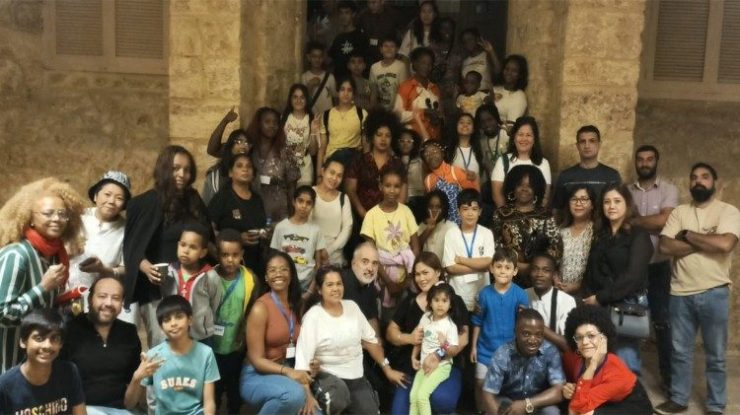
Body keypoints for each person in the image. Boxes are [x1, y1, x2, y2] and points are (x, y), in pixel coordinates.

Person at [654, 162, 740, 415]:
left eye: (704, 177)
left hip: (715, 292)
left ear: (716, 183)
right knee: (680, 352)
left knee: (716, 355)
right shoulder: (680, 212)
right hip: (680, 293)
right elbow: (665, 247)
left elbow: (725, 245)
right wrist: (707, 241)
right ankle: (679, 399)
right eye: (693, 178)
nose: (698, 181)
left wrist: (688, 235)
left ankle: (715, 405)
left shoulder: (728, 211)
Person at [123, 145, 211, 348]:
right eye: (176, 168)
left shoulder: (193, 200)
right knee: (163, 344)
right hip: (157, 289)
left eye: (187, 170)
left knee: (192, 343)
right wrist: (146, 267)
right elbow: (132, 247)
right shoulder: (144, 203)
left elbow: (206, 236)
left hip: (189, 283)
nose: (182, 174)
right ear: (164, 169)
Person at [0, 177, 86, 373]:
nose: (56, 219)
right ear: (29, 218)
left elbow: (41, 309)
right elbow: (3, 314)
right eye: (48, 213)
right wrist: (42, 288)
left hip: (38, 365)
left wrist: (65, 304)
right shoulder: (16, 255)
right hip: (9, 365)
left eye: (62, 214)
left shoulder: (55, 256)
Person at [295, 266, 407, 414]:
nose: (335, 288)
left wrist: (387, 369)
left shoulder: (352, 307)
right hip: (327, 377)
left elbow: (371, 342)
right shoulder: (313, 317)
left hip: (356, 377)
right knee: (339, 397)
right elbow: (302, 361)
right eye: (330, 285)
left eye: (339, 283)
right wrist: (307, 395)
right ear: (320, 290)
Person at [386, 252, 470, 415]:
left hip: (445, 364)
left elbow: (464, 338)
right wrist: (408, 338)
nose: (421, 278)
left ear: (438, 272)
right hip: (414, 366)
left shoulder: (453, 300)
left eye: (425, 273)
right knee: (399, 411)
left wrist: (438, 355)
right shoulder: (410, 301)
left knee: (440, 399)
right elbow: (390, 332)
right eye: (417, 274)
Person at [583, 184, 653, 374]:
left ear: (627, 204)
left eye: (617, 201)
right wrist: (590, 298)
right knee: (599, 362)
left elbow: (633, 277)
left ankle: (630, 394)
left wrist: (600, 297)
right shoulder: (600, 235)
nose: (611, 206)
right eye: (606, 202)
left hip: (627, 305)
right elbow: (591, 269)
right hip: (599, 305)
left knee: (624, 362)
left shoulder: (639, 234)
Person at [627, 145, 678, 391]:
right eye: (640, 159)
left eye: (649, 159)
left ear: (656, 161)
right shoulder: (627, 191)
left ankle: (669, 381)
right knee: (629, 321)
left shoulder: (669, 189)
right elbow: (621, 223)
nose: (645, 163)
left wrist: (634, 221)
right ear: (635, 162)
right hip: (633, 267)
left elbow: (665, 220)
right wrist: (651, 223)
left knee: (663, 322)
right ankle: (628, 382)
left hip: (658, 266)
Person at [240, 251, 316, 415]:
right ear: (266, 277)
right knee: (293, 396)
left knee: (314, 411)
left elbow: (299, 355)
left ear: (291, 275)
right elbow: (256, 360)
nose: (278, 274)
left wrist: (307, 391)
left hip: (287, 373)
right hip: (256, 375)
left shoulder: (297, 304)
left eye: (283, 269)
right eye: (272, 270)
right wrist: (290, 373)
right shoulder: (260, 308)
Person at [61, 277, 142, 414]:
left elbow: (132, 396)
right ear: (90, 299)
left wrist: (139, 377)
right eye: (102, 296)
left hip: (120, 410)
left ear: (122, 303)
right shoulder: (69, 330)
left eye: (116, 298)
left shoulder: (129, 332)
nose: (108, 303)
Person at [561, 305, 653, 414]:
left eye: (591, 336)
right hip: (603, 401)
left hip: (631, 405)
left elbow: (577, 408)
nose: (585, 342)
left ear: (603, 338)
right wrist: (569, 388)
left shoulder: (616, 372)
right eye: (579, 337)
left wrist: (593, 365)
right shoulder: (575, 357)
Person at [137, 295, 220, 415]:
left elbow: (209, 403)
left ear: (190, 320)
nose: (173, 323)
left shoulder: (206, 353)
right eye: (167, 320)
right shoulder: (153, 355)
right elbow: (134, 401)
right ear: (161, 327)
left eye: (179, 317)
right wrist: (137, 376)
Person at [471, 247, 529, 411]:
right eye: (499, 266)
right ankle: (481, 410)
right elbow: (477, 322)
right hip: (485, 349)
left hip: (510, 351)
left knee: (508, 386)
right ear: (491, 268)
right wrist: (474, 347)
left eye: (507, 267)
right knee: (480, 382)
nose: (503, 271)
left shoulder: (520, 295)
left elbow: (524, 325)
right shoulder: (483, 294)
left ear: (515, 271)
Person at [0, 309, 86, 415]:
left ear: (61, 344)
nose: (47, 346)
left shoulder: (69, 372)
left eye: (54, 338)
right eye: (39, 338)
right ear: (23, 342)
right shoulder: (5, 386)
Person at [211, 229, 258, 414]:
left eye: (235, 255)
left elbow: (253, 312)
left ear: (242, 254)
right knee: (213, 389)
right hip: (212, 347)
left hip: (236, 346)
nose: (230, 260)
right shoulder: (208, 277)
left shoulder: (250, 279)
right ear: (217, 254)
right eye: (225, 255)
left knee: (234, 388)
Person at [481, 309, 565, 415]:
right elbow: (488, 393)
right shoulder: (503, 353)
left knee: (552, 412)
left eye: (538, 334)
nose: (533, 340)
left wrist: (527, 403)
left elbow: (558, 391)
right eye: (526, 334)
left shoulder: (550, 351)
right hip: (508, 403)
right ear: (515, 331)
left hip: (537, 403)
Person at [492, 165, 561, 286]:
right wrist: (515, 266)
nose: (524, 189)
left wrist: (535, 267)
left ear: (536, 189)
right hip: (507, 276)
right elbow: (494, 246)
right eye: (520, 185)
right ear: (513, 187)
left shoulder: (545, 215)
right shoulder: (501, 214)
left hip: (539, 278)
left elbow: (556, 248)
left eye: (530, 186)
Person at [361, 166, 420, 308]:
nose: (392, 190)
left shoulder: (406, 211)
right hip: (382, 276)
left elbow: (416, 248)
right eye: (388, 186)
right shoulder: (371, 215)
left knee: (406, 312)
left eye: (396, 186)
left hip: (408, 273)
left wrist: (407, 280)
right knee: (385, 315)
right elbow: (372, 254)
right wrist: (388, 282)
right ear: (380, 186)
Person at [68, 171, 130, 297]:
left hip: (103, 297)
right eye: (107, 194)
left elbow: (126, 269)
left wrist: (101, 269)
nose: (111, 201)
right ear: (96, 196)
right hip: (67, 291)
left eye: (119, 198)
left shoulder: (127, 230)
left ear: (124, 204)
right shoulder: (77, 217)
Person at [208, 153, 268, 275]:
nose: (245, 169)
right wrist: (237, 239)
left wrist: (264, 233)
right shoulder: (222, 198)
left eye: (249, 166)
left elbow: (262, 224)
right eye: (239, 166)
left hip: (255, 262)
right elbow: (208, 230)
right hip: (229, 264)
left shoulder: (257, 199)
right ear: (231, 173)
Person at [159, 223, 221, 343]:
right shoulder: (169, 272)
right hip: (174, 332)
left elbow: (215, 303)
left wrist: (204, 321)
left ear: (203, 252)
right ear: (178, 245)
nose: (186, 250)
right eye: (183, 245)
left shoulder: (210, 276)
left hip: (201, 336)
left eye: (193, 247)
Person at [409, 282, 462, 415]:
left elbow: (453, 351)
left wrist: (444, 344)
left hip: (441, 366)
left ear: (450, 304)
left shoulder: (450, 326)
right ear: (430, 302)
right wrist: (413, 356)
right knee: (413, 397)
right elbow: (419, 338)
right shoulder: (426, 317)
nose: (440, 304)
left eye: (444, 301)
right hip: (424, 365)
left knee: (422, 396)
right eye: (436, 300)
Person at [345, 107, 407, 222]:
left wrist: (390, 218)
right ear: (372, 137)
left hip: (390, 220)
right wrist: (363, 214)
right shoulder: (359, 160)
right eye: (379, 134)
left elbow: (402, 196)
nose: (383, 139)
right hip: (361, 218)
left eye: (387, 135)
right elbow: (350, 189)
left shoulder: (397, 164)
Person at [443, 189, 495, 311]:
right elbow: (450, 268)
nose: (470, 213)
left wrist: (462, 260)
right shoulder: (451, 233)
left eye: (474, 209)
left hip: (482, 294)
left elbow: (489, 263)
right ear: (458, 211)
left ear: (480, 211)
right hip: (458, 295)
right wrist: (480, 266)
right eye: (465, 209)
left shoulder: (486, 233)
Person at [551, 125, 622, 214]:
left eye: (592, 141)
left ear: (599, 145)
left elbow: (619, 209)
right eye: (582, 141)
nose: (587, 146)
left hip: (603, 223)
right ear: (577, 146)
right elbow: (557, 210)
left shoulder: (612, 176)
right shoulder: (565, 176)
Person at [270, 186, 327, 296]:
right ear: (293, 202)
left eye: (308, 203)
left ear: (313, 206)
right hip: (284, 280)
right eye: (300, 201)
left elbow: (318, 264)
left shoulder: (316, 230)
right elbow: (274, 259)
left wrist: (310, 291)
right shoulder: (281, 227)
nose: (304, 206)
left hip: (307, 282)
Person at [249, 107, 300, 222]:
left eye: (275, 123)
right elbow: (213, 150)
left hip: (278, 210)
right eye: (267, 122)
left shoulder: (285, 151)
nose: (272, 125)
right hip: (252, 208)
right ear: (259, 124)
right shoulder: (249, 149)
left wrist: (292, 212)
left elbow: (292, 184)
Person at [491, 116, 552, 208]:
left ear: (534, 139)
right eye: (520, 134)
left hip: (535, 215)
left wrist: (532, 215)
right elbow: (497, 195)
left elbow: (545, 197)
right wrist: (508, 214)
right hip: (507, 214)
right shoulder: (503, 161)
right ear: (514, 137)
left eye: (528, 135)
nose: (524, 139)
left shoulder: (543, 163)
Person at [421, 140, 479, 225]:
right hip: (441, 224)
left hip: (461, 223)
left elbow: (473, 196)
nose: (431, 155)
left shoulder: (456, 172)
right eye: (427, 154)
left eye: (435, 151)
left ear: (443, 153)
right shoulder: (428, 180)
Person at [203, 108, 252, 205]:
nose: (243, 145)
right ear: (230, 146)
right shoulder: (216, 177)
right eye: (238, 142)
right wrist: (225, 121)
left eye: (246, 143)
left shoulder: (251, 172)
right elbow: (212, 149)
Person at [317, 77, 368, 171]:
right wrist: (319, 174)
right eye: (342, 89)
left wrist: (367, 168)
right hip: (332, 160)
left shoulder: (361, 113)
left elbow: (365, 144)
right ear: (337, 92)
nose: (346, 93)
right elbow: (322, 147)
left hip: (354, 161)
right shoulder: (326, 115)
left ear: (354, 93)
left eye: (349, 90)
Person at [395, 47, 443, 141]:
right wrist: (423, 112)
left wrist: (438, 119)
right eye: (423, 63)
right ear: (414, 64)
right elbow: (398, 116)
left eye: (430, 64)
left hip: (432, 142)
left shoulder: (435, 89)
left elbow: (440, 114)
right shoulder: (406, 87)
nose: (426, 67)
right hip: (413, 142)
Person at [312, 158, 353, 266]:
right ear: (323, 171)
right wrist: (316, 251)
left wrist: (329, 250)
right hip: (310, 255)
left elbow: (347, 228)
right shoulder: (310, 193)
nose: (334, 178)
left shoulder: (343, 198)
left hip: (334, 258)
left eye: (339, 175)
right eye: (332, 172)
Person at [557, 185, 596, 296]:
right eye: (574, 199)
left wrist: (578, 286)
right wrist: (555, 280)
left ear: (592, 205)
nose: (578, 203)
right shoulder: (561, 232)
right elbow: (552, 262)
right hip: (560, 292)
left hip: (587, 294)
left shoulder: (596, 232)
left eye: (584, 199)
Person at [526, 253, 577, 337]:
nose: (539, 274)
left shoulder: (566, 301)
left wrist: (536, 324)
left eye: (546, 270)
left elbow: (568, 342)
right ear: (530, 272)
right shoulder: (521, 295)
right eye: (535, 269)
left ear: (554, 275)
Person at [282, 84, 321, 186]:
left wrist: (313, 131)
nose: (298, 100)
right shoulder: (284, 118)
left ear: (306, 99)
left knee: (304, 194)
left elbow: (313, 152)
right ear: (290, 99)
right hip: (287, 166)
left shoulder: (312, 119)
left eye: (302, 97)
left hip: (305, 167)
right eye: (295, 97)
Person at [328, 0, 368, 80]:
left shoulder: (361, 37)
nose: (343, 16)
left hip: (355, 83)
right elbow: (331, 60)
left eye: (347, 13)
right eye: (341, 13)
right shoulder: (338, 38)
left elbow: (365, 62)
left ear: (353, 14)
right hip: (339, 82)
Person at [369, 37, 408, 111]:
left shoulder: (401, 66)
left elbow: (403, 92)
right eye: (386, 46)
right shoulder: (374, 67)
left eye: (392, 46)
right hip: (380, 110)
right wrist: (373, 111)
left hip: (396, 110)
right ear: (381, 49)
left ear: (397, 50)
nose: (389, 49)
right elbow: (373, 92)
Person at [446, 112, 486, 186]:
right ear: (456, 127)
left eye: (469, 123)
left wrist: (475, 177)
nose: (465, 125)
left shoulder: (479, 149)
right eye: (461, 122)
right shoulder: (449, 150)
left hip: (475, 191)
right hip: (455, 191)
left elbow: (484, 176)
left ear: (473, 129)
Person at [357, 0, 402, 64]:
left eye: (374, 2)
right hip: (368, 54)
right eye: (368, 3)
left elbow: (402, 34)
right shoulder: (362, 16)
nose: (371, 5)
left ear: (382, 1)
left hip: (388, 54)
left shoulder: (393, 15)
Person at [417, 190, 456, 261]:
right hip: (426, 266)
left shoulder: (451, 227)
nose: (434, 210)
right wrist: (428, 230)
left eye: (438, 207)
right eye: (431, 206)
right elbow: (416, 247)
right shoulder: (422, 226)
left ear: (443, 208)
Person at [491, 54, 529, 128]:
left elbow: (510, 127)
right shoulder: (494, 89)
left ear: (520, 75)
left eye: (514, 71)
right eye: (507, 69)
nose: (509, 73)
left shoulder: (519, 96)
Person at [476, 104, 509, 182]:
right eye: (482, 122)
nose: (487, 124)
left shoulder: (507, 134)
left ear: (496, 118)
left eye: (490, 120)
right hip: (495, 182)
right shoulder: (482, 141)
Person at [302, 41, 336, 117]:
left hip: (328, 116)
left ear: (323, 58)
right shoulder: (304, 77)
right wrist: (310, 86)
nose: (317, 59)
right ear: (308, 57)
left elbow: (335, 98)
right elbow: (303, 100)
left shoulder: (330, 77)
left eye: (320, 57)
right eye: (314, 56)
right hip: (312, 116)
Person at [397, 128, 425, 218]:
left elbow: (427, 142)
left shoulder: (420, 160)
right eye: (402, 141)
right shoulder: (393, 160)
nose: (405, 144)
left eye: (409, 141)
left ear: (414, 144)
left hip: (418, 200)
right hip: (399, 200)